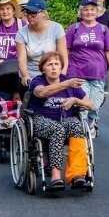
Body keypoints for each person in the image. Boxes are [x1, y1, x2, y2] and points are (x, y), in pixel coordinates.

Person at [29, 52, 94, 192]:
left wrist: (75, 100)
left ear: (61, 67)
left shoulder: (70, 82)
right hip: (42, 120)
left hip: (65, 119)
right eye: (49, 64)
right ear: (43, 68)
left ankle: (77, 174)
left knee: (77, 126)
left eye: (56, 64)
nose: (53, 68)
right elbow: (41, 93)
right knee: (57, 130)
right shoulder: (38, 81)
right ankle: (56, 176)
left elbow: (90, 105)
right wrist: (66, 84)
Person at [66, 0, 109, 137]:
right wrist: (64, 69)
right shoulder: (74, 28)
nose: (89, 12)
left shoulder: (103, 29)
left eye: (92, 9)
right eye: (86, 10)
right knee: (83, 104)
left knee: (95, 103)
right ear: (81, 12)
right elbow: (66, 50)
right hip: (77, 72)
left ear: (97, 11)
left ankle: (92, 122)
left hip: (97, 73)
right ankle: (81, 130)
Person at [16, 0, 68, 96]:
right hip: (31, 76)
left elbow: (63, 56)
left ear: (43, 13)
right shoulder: (21, 33)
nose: (29, 16)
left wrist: (62, 75)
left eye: (33, 13)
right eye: (27, 12)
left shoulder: (57, 28)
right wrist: (25, 76)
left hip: (52, 76)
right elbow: (21, 58)